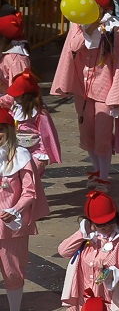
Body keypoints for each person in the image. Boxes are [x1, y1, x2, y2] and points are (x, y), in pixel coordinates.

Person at [52, 0, 119, 191]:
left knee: (103, 134)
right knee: (86, 133)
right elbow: (72, 48)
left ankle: (104, 176)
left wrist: (117, 94)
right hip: (82, 89)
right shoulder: (78, 26)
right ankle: (96, 171)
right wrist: (87, 30)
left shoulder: (115, 29)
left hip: (105, 89)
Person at [58, 191, 119, 310]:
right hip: (87, 299)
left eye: (110, 223)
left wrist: (117, 274)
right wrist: (83, 232)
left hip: (118, 301)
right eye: (101, 224)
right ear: (91, 223)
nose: (106, 227)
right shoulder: (86, 238)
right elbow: (64, 251)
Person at [0, 106, 49, 311]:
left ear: (9, 130)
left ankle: (14, 308)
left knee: (13, 271)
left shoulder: (21, 156)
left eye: (0, 130)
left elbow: (30, 191)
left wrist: (15, 210)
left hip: (11, 226)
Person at [2, 69, 62, 172]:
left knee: (32, 177)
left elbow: (46, 134)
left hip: (34, 152)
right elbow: (4, 100)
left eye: (17, 95)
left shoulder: (40, 113)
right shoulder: (14, 106)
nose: (14, 96)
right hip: (17, 149)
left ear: (26, 96)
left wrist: (42, 155)